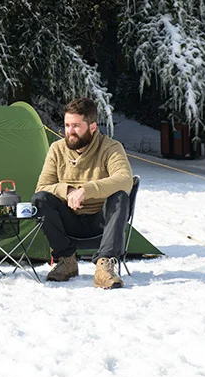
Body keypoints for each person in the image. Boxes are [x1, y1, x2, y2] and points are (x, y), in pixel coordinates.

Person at [31, 97, 133, 289]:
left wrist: (86, 190)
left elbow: (125, 179)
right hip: (69, 219)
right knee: (40, 199)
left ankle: (104, 266)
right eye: (67, 125)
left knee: (120, 196)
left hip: (100, 220)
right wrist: (68, 190)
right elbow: (42, 186)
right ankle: (66, 260)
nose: (70, 131)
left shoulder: (110, 148)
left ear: (92, 126)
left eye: (76, 126)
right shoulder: (57, 149)